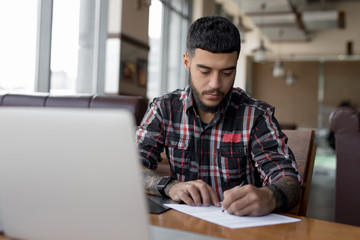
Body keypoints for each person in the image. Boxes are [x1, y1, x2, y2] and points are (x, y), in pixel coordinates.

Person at [136, 16, 301, 216]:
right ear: (187, 62)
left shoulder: (256, 116)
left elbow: (288, 177)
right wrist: (172, 187)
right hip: (182, 226)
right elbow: (131, 165)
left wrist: (270, 196)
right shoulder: (164, 108)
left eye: (226, 72)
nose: (215, 83)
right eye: (205, 71)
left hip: (240, 228)